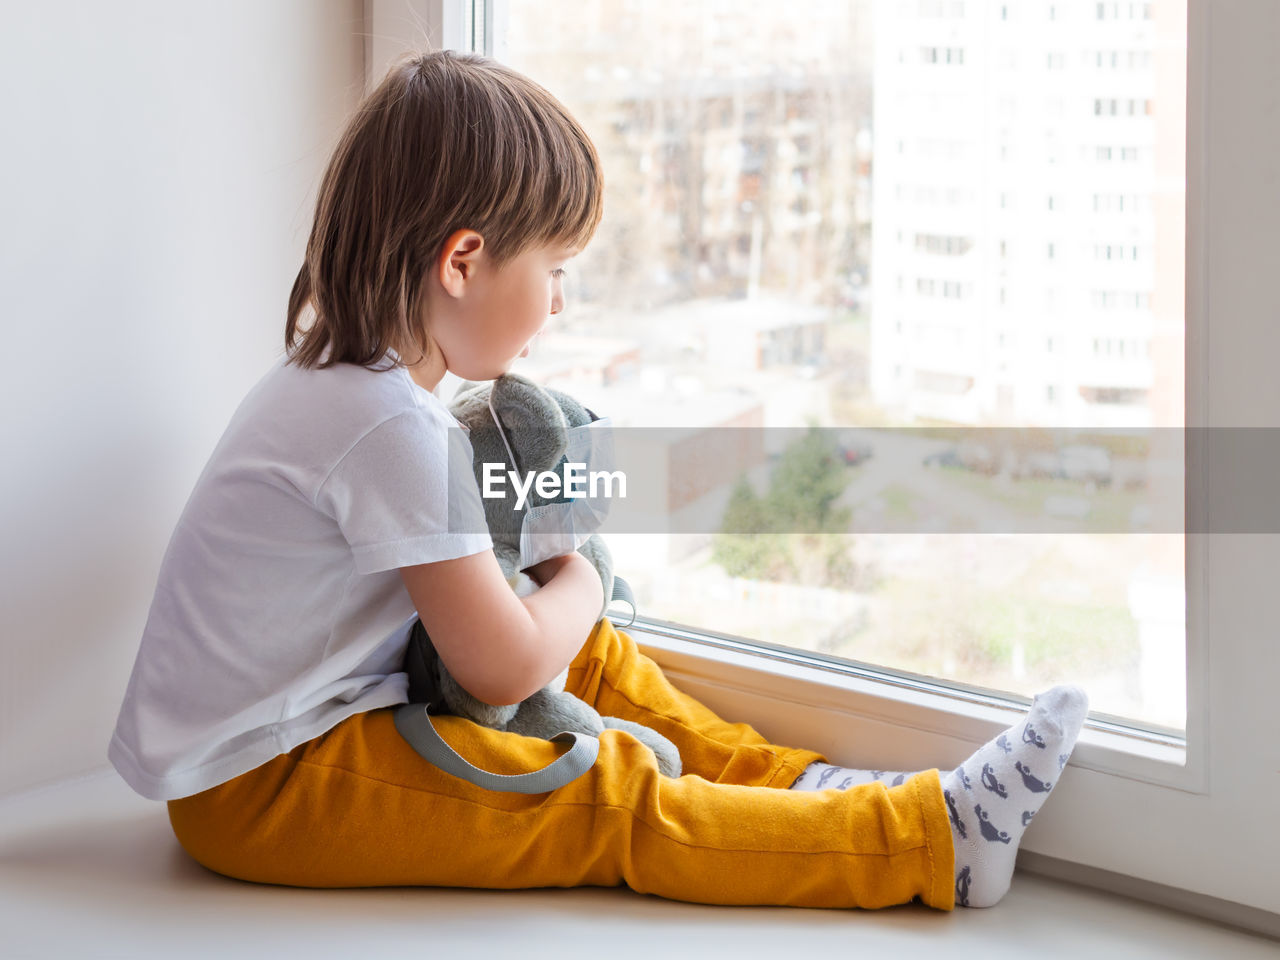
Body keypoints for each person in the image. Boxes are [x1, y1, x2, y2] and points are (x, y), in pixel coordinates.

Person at [107, 50, 1088, 912]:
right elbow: (502, 669)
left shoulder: (338, 385)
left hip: (293, 737)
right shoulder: (389, 430)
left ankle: (808, 785)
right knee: (595, 795)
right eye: (557, 268)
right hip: (263, 784)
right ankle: (927, 844)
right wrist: (578, 577)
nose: (561, 302)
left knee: (596, 664)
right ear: (462, 261)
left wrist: (561, 608)